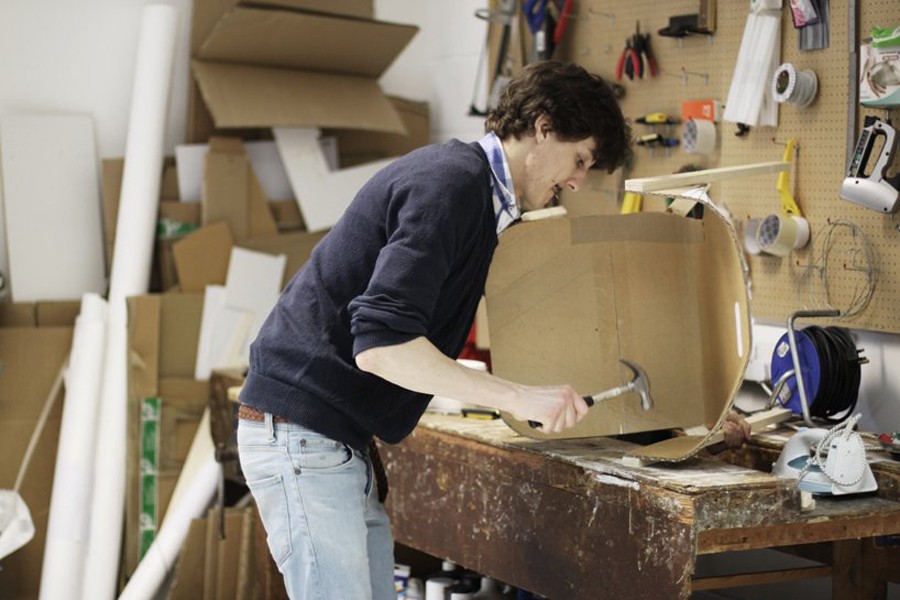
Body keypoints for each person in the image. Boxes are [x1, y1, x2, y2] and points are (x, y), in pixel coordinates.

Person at [237, 59, 631, 599]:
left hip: (335, 439)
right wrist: (516, 397)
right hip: (303, 434)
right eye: (580, 158)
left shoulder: (482, 203)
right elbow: (381, 348)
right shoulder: (453, 186)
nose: (578, 179)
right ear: (543, 126)